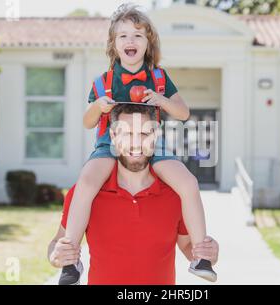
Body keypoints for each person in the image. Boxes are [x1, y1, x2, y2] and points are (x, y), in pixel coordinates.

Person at [61, 3, 216, 284]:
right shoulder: (102, 81)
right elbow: (87, 122)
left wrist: (162, 100)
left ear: (148, 43)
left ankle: (202, 256)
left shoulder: (158, 77)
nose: (130, 41)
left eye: (137, 35)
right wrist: (98, 106)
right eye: (123, 36)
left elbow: (183, 113)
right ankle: (70, 261)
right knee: (85, 183)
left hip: (151, 142)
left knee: (188, 182)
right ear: (113, 44)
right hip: (110, 142)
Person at [48, 104, 219, 285]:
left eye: (144, 133)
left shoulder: (177, 194)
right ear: (112, 136)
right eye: (126, 134)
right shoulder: (86, 192)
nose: (136, 143)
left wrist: (207, 253)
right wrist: (56, 256)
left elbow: (187, 246)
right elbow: (57, 243)